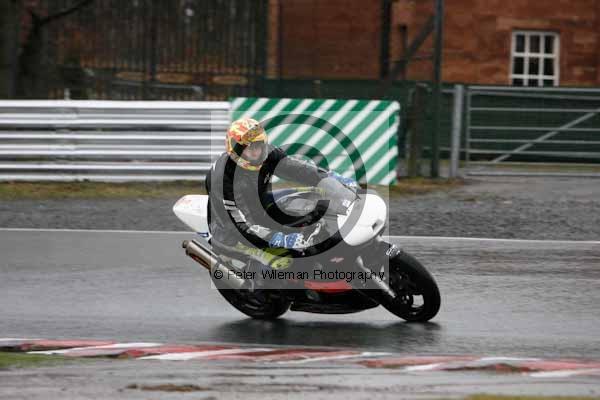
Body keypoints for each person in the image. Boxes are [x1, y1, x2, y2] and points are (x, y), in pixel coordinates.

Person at [204, 117, 357, 281]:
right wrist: (281, 238)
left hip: (259, 207)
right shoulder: (222, 178)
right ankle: (261, 284)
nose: (256, 152)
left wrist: (332, 178)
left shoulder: (267, 155)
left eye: (258, 146)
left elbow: (297, 169)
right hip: (230, 231)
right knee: (281, 263)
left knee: (310, 203)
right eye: (249, 148)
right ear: (235, 149)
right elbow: (240, 225)